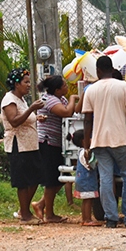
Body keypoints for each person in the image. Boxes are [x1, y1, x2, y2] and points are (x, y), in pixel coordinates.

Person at [81, 54, 126, 229]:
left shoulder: (90, 90)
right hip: (120, 139)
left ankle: (111, 218)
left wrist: (87, 146)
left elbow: (87, 120)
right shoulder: (123, 86)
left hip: (99, 141)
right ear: (111, 69)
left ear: (98, 70)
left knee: (105, 179)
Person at [32, 75, 80, 223]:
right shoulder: (50, 100)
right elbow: (66, 112)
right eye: (64, 86)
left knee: (59, 178)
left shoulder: (60, 99)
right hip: (47, 142)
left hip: (57, 143)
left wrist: (81, 98)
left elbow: (74, 111)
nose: (67, 87)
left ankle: (40, 204)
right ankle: (49, 214)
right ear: (57, 89)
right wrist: (73, 98)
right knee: (52, 179)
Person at [0, 68, 44, 225]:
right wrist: (32, 109)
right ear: (16, 84)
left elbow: (24, 118)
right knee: (23, 180)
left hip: (30, 144)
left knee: (36, 176)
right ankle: (25, 215)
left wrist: (35, 117)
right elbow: (14, 121)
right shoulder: (9, 100)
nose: (28, 85)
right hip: (18, 144)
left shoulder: (21, 100)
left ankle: (23, 209)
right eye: (25, 82)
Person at [68, 129, 104, 227]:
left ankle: (85, 219)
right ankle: (87, 219)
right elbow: (90, 165)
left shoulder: (80, 151)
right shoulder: (86, 152)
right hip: (87, 180)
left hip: (82, 179)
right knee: (88, 200)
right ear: (84, 141)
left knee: (86, 200)